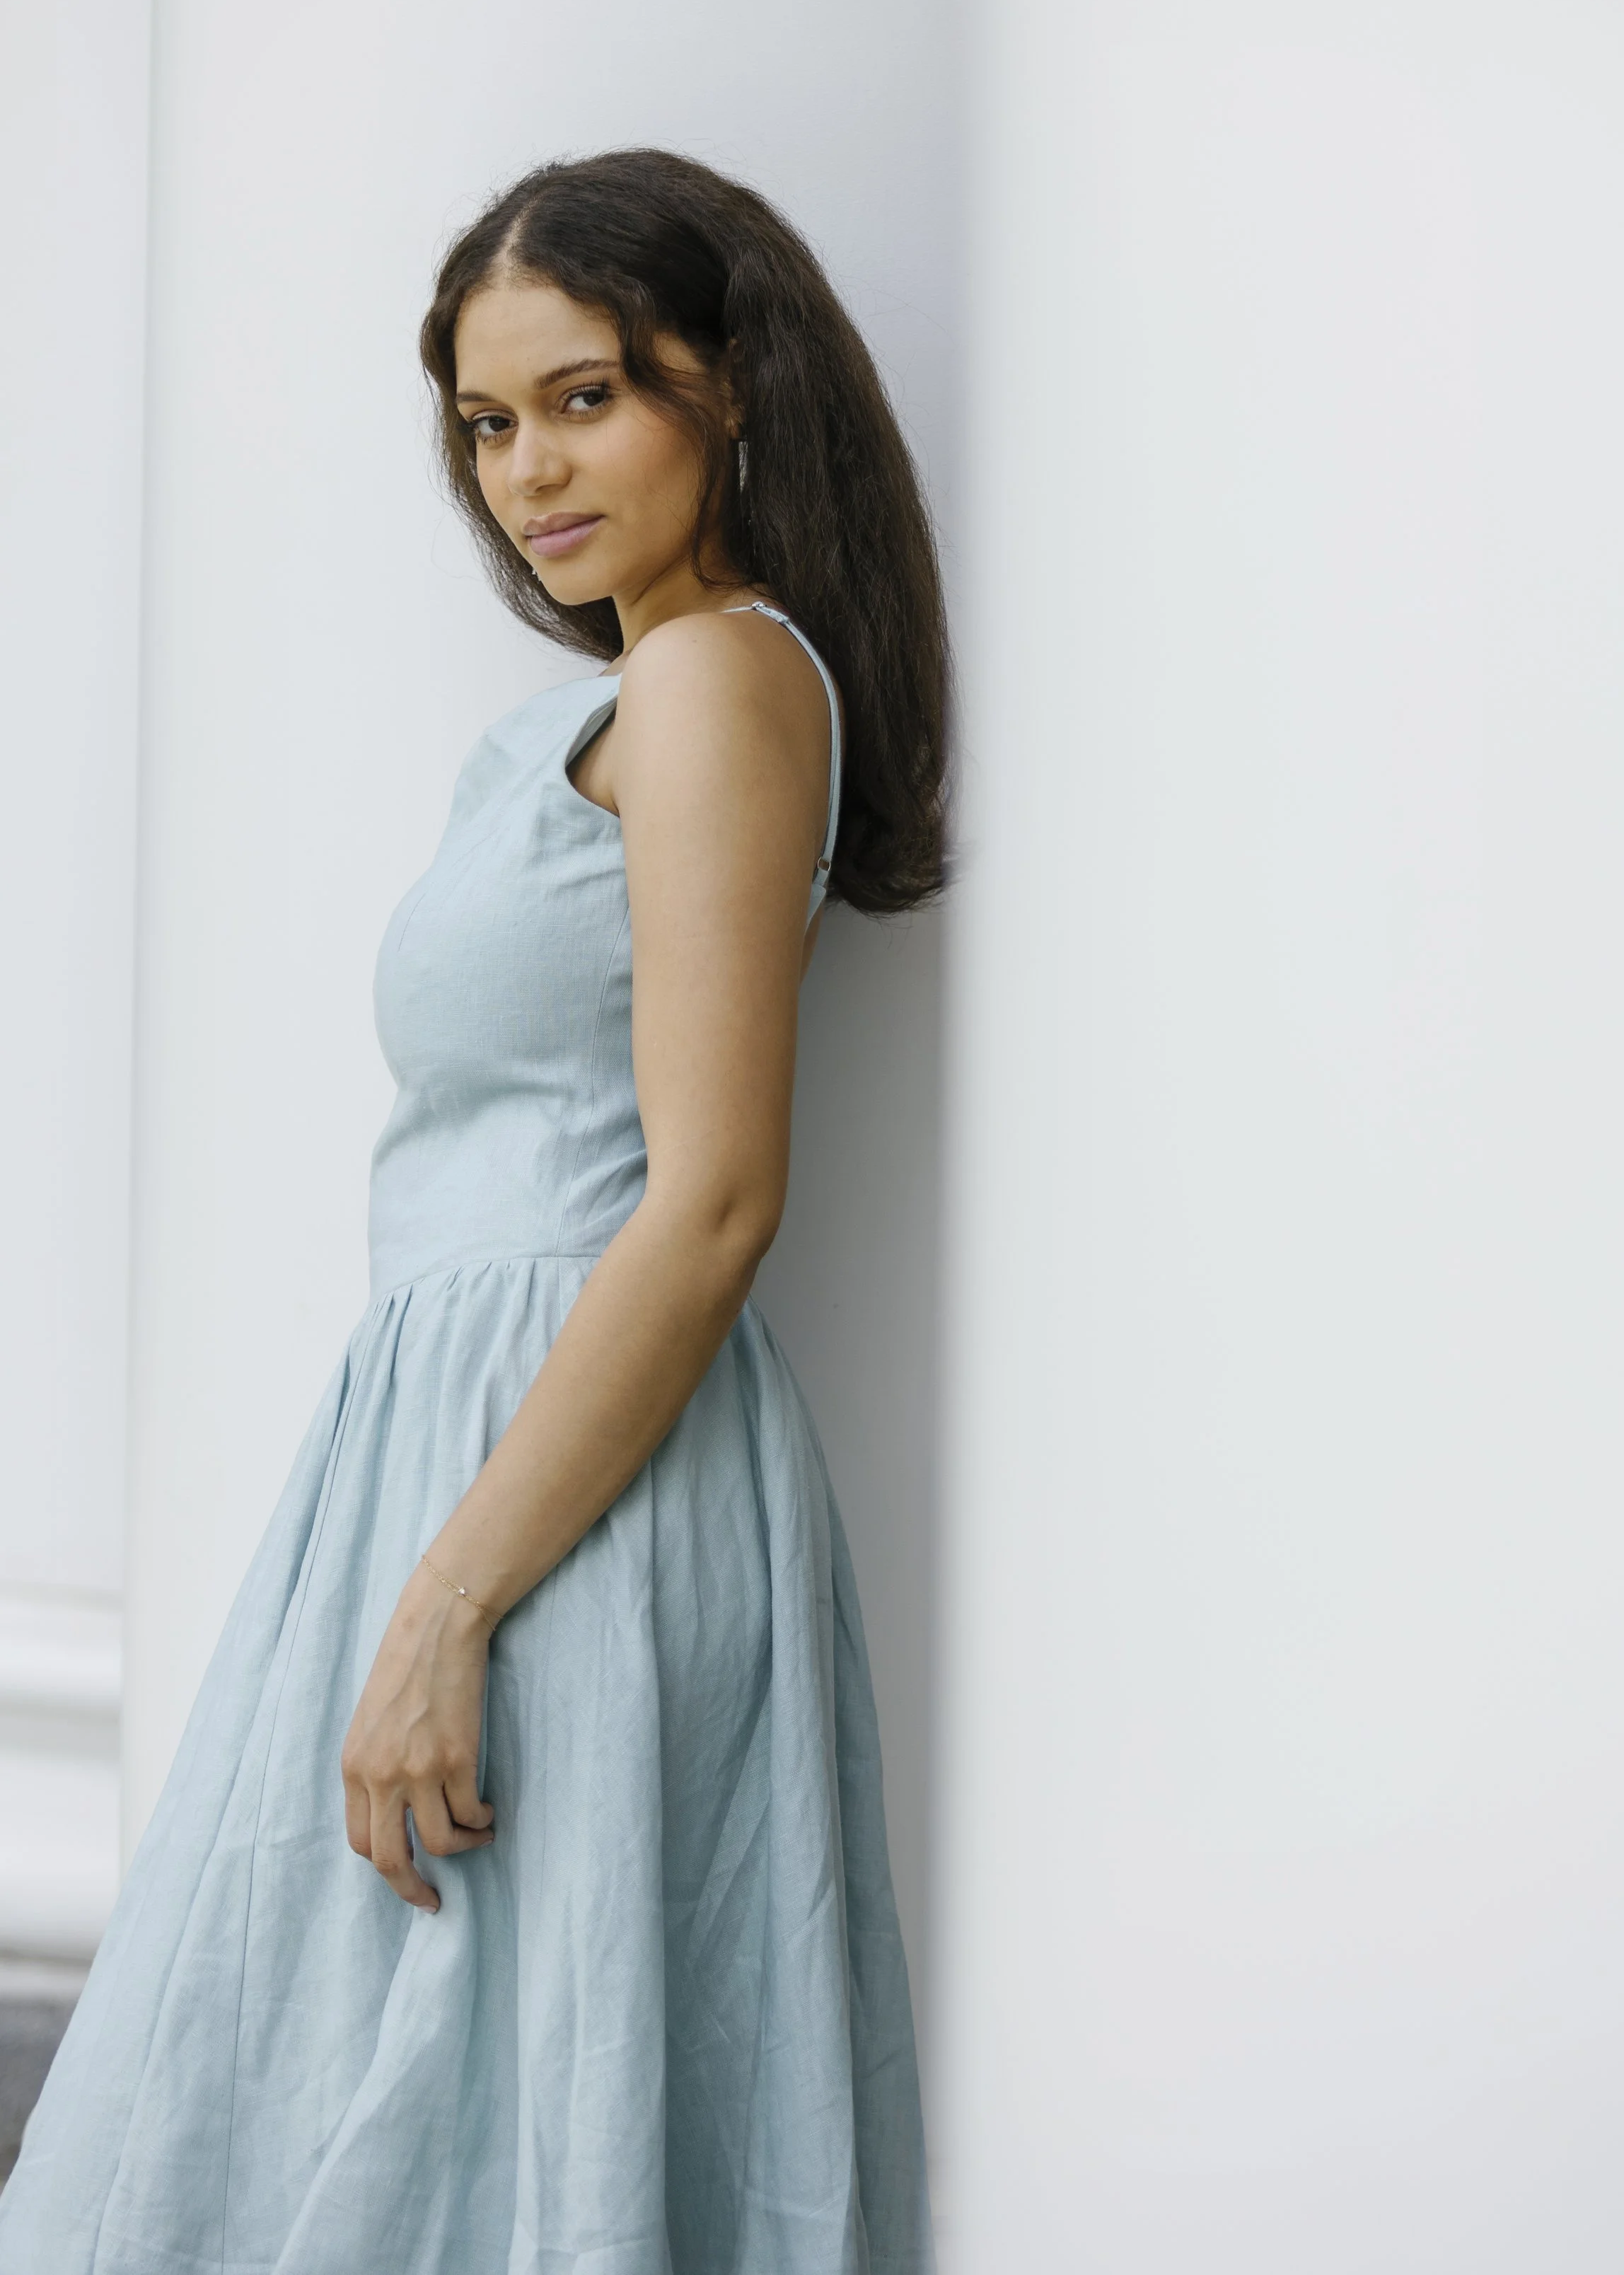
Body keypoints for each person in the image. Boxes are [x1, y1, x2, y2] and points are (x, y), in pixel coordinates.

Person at [0, 149, 946, 2273]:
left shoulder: (718, 677)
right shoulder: (597, 714)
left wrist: (445, 1612)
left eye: (587, 397)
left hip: (555, 1521)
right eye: (487, 424)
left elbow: (707, 1197)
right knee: (363, 2128)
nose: (527, 469)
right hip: (468, 1478)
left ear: (734, 391)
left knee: (443, 2139)